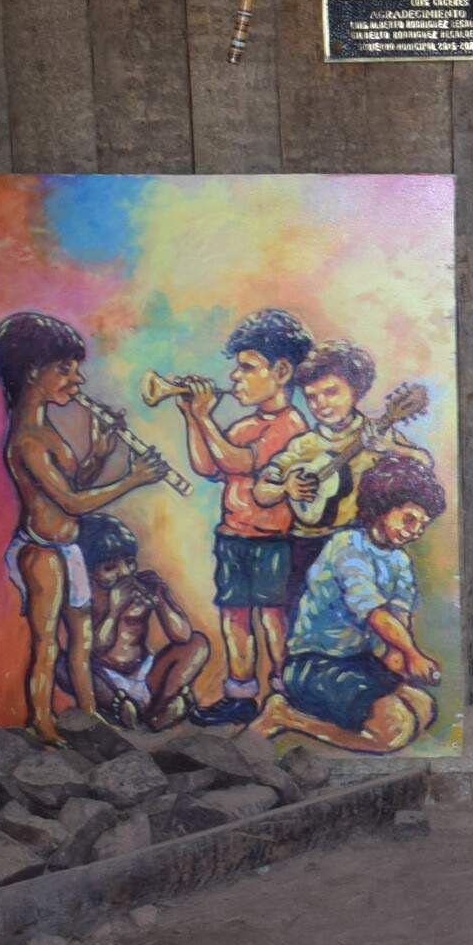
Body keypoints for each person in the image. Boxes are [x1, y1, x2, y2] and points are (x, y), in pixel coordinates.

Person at [0, 309, 167, 743]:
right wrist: (133, 479)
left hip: (67, 548)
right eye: (65, 370)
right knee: (48, 643)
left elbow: (74, 490)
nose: (77, 381)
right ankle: (44, 723)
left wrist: (102, 453)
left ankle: (89, 714)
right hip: (42, 553)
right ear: (34, 372)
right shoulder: (28, 438)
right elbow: (69, 501)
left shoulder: (47, 428)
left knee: (82, 642)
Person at [169, 307, 313, 724]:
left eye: (248, 368)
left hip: (271, 539)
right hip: (233, 535)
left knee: (272, 618)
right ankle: (241, 693)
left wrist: (207, 417)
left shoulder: (289, 426)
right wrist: (193, 418)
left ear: (282, 371)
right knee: (234, 616)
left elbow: (234, 461)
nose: (235, 377)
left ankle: (286, 691)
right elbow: (207, 466)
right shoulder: (246, 424)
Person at [258, 454, 446, 754]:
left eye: (422, 526)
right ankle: (286, 716)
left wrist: (401, 659)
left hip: (358, 660)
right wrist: (413, 653)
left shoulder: (399, 561)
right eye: (409, 519)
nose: (414, 531)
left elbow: (399, 619)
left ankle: (333, 712)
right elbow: (375, 615)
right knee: (394, 731)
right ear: (382, 506)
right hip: (313, 663)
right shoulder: (347, 546)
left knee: (424, 708)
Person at [263, 340, 428, 590]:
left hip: (361, 543)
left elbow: (424, 465)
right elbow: (261, 492)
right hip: (305, 545)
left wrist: (390, 448)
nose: (321, 404)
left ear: (356, 390)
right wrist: (286, 488)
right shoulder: (303, 446)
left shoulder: (378, 434)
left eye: (331, 392)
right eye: (311, 397)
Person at [80, 512, 212, 732]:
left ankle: (159, 709)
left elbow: (182, 636)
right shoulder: (88, 600)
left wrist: (162, 598)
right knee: (66, 667)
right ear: (89, 572)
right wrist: (114, 609)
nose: (124, 573)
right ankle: (122, 709)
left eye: (129, 563)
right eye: (110, 568)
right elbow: (93, 649)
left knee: (198, 644)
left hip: (146, 674)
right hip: (108, 681)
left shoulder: (142, 589)